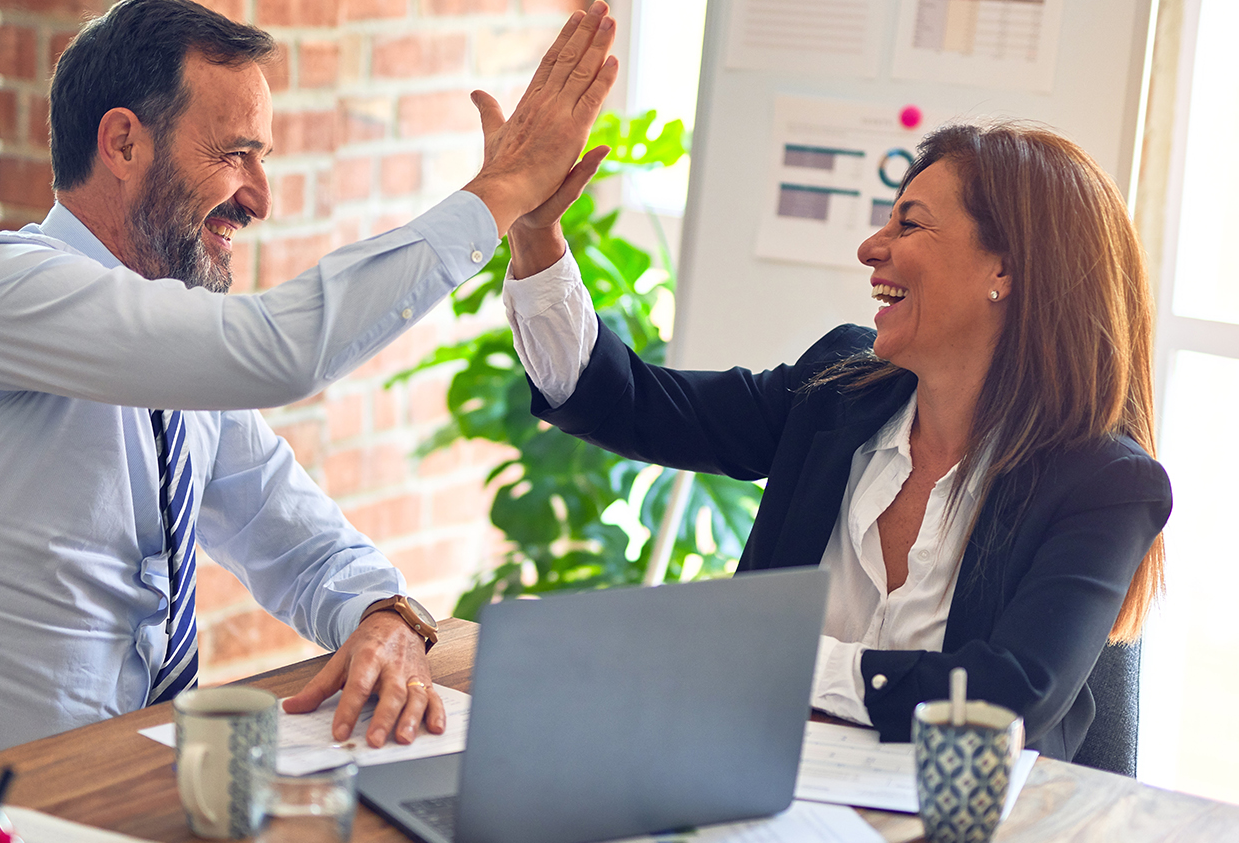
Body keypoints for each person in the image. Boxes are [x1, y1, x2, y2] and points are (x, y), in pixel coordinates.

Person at [0, 0, 619, 779]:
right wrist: (502, 191)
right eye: (236, 154)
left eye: (261, 159)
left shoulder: (177, 365)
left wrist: (385, 615)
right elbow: (280, 351)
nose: (260, 198)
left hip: (115, 794)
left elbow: (296, 537)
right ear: (124, 144)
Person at [500, 119, 1170, 760]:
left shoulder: (1104, 484)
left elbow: (1005, 699)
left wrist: (780, 658)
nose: (871, 248)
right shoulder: (837, 390)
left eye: (908, 224)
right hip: (760, 790)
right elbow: (629, 403)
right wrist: (536, 237)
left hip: (967, 842)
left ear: (1005, 270)